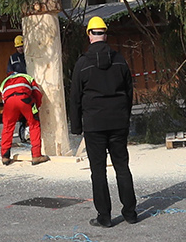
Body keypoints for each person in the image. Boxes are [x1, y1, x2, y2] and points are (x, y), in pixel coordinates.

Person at [71, 16, 137, 228]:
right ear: (105, 35)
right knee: (122, 166)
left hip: (94, 125)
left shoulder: (82, 63)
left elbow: (75, 97)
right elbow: (129, 91)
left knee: (98, 171)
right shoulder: (119, 60)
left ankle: (105, 217)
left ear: (89, 35)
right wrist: (124, 116)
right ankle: (130, 213)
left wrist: (77, 127)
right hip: (118, 122)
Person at [0, 69, 46, 167]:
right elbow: (37, 93)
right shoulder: (27, 77)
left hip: (9, 102)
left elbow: (4, 99)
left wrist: (19, 116)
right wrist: (36, 109)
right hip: (24, 98)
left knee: (7, 127)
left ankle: (5, 156)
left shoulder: (4, 82)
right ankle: (37, 155)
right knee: (34, 124)